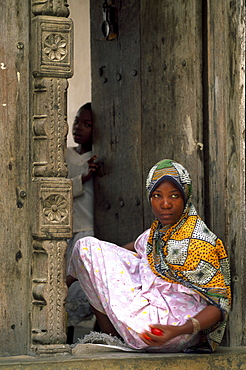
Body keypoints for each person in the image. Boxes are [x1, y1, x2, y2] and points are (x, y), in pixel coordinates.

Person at [67, 159, 231, 353]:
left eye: (174, 196)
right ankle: (113, 338)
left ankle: (121, 338)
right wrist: (69, 281)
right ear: (149, 198)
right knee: (87, 248)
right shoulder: (156, 234)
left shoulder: (198, 242)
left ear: (186, 198)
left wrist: (177, 330)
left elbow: (219, 306)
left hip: (169, 331)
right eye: (157, 196)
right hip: (146, 323)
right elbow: (118, 253)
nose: (165, 204)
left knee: (93, 255)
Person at [65, 103, 99, 343]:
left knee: (83, 287)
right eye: (77, 121)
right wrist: (82, 177)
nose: (79, 128)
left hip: (88, 232)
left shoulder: (99, 157)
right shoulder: (64, 155)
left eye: (87, 124)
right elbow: (55, 190)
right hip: (65, 232)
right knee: (61, 290)